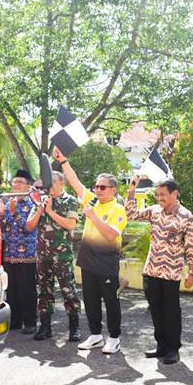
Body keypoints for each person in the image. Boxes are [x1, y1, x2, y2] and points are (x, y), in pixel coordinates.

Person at [54, 147, 128, 354]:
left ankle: (114, 337)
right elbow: (76, 183)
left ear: (113, 190)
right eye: (96, 186)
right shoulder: (91, 201)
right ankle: (95, 335)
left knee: (111, 302)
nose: (98, 190)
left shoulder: (117, 209)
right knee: (91, 301)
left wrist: (93, 217)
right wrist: (63, 161)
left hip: (106, 264)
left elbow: (112, 235)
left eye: (103, 187)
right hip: (87, 262)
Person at [125, 175, 193, 364]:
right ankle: (161, 346)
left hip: (171, 273)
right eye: (157, 194)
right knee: (156, 310)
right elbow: (131, 214)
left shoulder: (186, 216)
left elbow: (192, 247)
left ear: (175, 194)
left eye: (163, 194)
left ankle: (173, 349)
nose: (159, 198)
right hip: (151, 270)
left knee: (171, 311)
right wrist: (132, 190)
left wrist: (191, 273)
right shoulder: (154, 211)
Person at [26, 171, 83, 342]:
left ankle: (74, 328)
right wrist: (40, 209)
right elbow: (29, 226)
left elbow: (70, 225)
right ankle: (45, 327)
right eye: (47, 183)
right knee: (44, 292)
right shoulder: (40, 201)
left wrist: (50, 211)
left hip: (62, 256)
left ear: (62, 183)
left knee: (69, 292)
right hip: (43, 256)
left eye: (52, 182)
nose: (48, 186)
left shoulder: (70, 201)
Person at [0, 170, 39, 334]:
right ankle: (15, 320)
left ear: (29, 186)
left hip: (26, 255)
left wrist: (14, 212)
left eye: (20, 182)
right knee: (12, 290)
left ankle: (30, 322)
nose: (15, 185)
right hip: (9, 254)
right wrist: (1, 215)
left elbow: (28, 227)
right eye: (14, 182)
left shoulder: (33, 204)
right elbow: (2, 229)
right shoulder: (8, 204)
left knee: (27, 289)